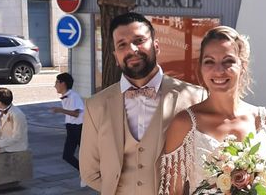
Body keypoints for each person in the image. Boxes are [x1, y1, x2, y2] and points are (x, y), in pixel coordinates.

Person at [80, 12, 205, 194]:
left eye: (139, 40)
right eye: (122, 44)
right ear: (115, 57)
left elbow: (204, 166)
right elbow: (89, 172)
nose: (132, 49)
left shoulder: (195, 98)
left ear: (156, 46)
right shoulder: (96, 106)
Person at [160, 26, 266, 195]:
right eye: (209, 61)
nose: (219, 70)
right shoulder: (184, 124)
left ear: (242, 65)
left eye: (228, 61)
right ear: (200, 67)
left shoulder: (264, 121)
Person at [50, 72, 84, 170]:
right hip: (71, 128)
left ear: (63, 83)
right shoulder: (67, 96)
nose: (55, 85)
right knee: (67, 155)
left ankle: (88, 173)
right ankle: (84, 172)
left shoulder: (73, 96)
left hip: (78, 128)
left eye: (56, 83)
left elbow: (76, 113)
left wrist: (60, 110)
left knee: (85, 154)